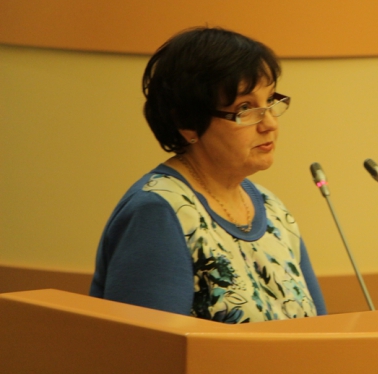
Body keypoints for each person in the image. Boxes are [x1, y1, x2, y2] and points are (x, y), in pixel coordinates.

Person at [90, 26, 327, 323]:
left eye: (270, 101)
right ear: (187, 122)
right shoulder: (159, 213)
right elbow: (147, 346)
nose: (269, 123)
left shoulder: (272, 208)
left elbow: (320, 329)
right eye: (245, 108)